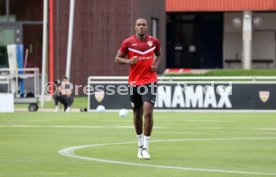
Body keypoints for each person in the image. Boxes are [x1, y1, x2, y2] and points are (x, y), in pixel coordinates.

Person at [115, 18, 162, 160]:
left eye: (143, 25)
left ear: (147, 27)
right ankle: (140, 144)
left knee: (148, 113)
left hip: (150, 81)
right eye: (139, 25)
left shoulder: (154, 42)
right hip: (134, 83)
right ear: (135, 27)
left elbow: (159, 55)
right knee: (137, 114)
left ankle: (146, 147)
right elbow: (117, 59)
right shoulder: (128, 42)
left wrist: (156, 65)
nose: (141, 27)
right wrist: (129, 61)